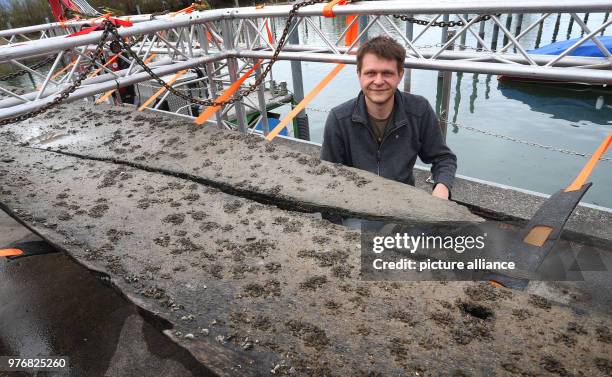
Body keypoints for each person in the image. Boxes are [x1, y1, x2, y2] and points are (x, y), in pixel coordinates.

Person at [320, 36, 457, 200]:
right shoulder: (339, 119)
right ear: (359, 75)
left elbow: (443, 158)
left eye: (387, 73)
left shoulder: (419, 110)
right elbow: (327, 176)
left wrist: (441, 190)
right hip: (355, 204)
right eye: (370, 73)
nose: (378, 81)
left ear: (400, 75)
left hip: (403, 205)